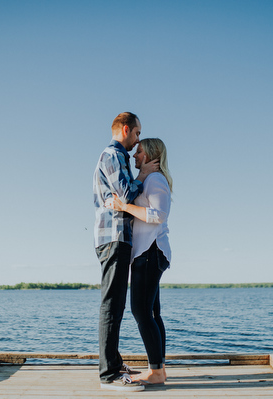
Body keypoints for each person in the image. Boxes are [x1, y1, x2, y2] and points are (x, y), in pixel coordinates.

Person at [92, 112, 158, 391]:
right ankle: (109, 374)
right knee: (112, 304)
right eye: (138, 133)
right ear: (126, 130)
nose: (138, 139)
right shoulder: (114, 155)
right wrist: (143, 175)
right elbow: (126, 194)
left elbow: (122, 198)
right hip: (114, 237)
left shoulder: (113, 156)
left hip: (116, 237)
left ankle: (114, 363)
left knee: (116, 303)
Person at [105, 138, 173, 385]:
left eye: (140, 151)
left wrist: (124, 205)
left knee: (141, 312)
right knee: (152, 313)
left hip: (150, 252)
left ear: (150, 154)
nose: (134, 155)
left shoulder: (156, 179)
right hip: (148, 253)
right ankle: (159, 370)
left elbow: (158, 214)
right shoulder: (148, 178)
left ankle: (156, 372)